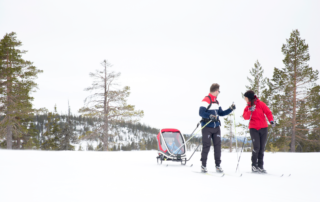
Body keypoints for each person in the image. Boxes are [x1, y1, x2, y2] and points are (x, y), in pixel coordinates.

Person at [199, 83, 236, 173]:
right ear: (216, 91)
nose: (219, 93)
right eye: (218, 91)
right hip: (207, 126)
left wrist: (230, 109)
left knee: (217, 147)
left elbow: (221, 113)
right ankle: (203, 166)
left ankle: (218, 166)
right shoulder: (206, 100)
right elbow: (201, 112)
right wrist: (210, 116)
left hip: (216, 127)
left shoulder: (216, 102)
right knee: (206, 146)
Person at [243, 90, 275, 173]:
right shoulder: (248, 107)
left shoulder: (261, 104)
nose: (244, 99)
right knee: (256, 147)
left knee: (261, 148)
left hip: (263, 128)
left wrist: (271, 120)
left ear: (249, 98)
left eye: (245, 98)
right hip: (253, 128)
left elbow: (268, 112)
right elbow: (245, 117)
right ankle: (254, 165)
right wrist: (250, 110)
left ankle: (260, 166)